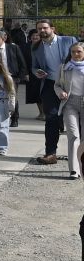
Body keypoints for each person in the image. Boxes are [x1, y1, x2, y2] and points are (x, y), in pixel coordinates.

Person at [28, 20, 78, 165]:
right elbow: (34, 66)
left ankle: (79, 153)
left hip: (72, 84)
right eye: (39, 29)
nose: (42, 31)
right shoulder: (36, 47)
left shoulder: (69, 41)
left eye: (45, 28)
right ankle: (51, 154)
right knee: (51, 118)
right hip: (50, 85)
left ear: (52, 29)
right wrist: (36, 72)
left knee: (78, 119)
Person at [56, 42, 84, 180]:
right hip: (70, 104)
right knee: (73, 136)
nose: (75, 54)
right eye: (73, 52)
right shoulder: (64, 67)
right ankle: (74, 170)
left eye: (79, 51)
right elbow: (57, 85)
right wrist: (60, 92)